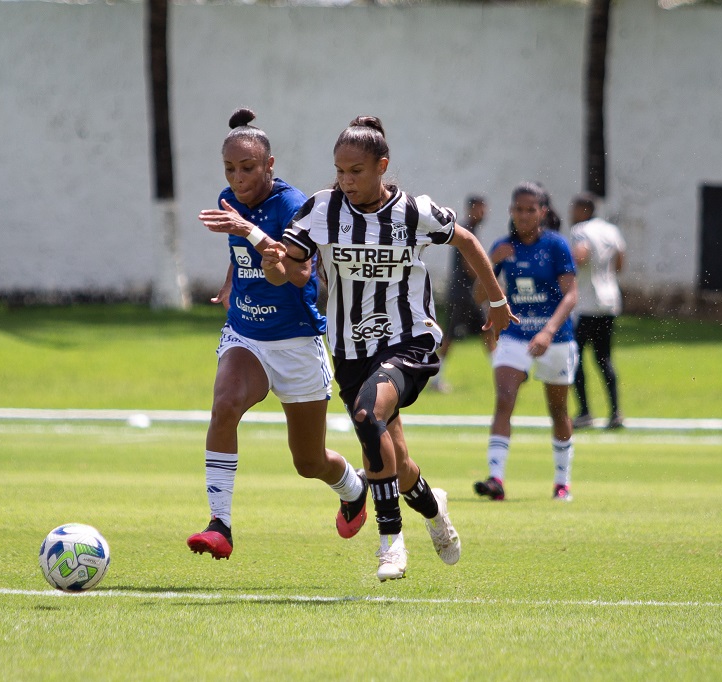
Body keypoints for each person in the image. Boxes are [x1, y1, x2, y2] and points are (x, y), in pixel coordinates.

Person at [263, 116, 516, 581]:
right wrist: (274, 263)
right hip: (350, 352)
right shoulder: (322, 210)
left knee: (366, 416)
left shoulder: (413, 212)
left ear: (383, 166)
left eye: (356, 171)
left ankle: (390, 543)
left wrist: (497, 302)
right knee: (394, 463)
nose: (346, 180)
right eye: (340, 171)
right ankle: (432, 506)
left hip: (410, 343)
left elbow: (466, 240)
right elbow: (291, 271)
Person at [187, 109, 368, 561]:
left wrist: (252, 236)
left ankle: (354, 487)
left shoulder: (296, 206)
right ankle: (219, 524)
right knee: (224, 405)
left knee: (309, 462)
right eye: (230, 168)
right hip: (246, 334)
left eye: (248, 168)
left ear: (270, 165)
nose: (238, 177)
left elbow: (299, 271)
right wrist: (232, 280)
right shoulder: (230, 198)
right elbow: (242, 249)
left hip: (296, 341)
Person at [473, 182, 578, 502]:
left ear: (542, 212)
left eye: (530, 209)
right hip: (515, 333)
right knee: (504, 398)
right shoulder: (503, 247)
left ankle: (562, 482)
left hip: (555, 337)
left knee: (557, 408)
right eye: (518, 209)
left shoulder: (556, 246)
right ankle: (496, 479)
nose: (524, 215)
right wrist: (491, 262)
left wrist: (547, 331)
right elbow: (479, 294)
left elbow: (572, 295)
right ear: (511, 212)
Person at [568, 193, 626, 430]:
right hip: (610, 300)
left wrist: (565, 267)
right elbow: (620, 263)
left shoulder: (581, 230)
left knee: (575, 357)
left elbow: (580, 257)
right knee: (604, 358)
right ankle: (615, 412)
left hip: (587, 302)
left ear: (583, 209)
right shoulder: (611, 230)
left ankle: (584, 412)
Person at [429, 195, 489, 393]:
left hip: (466, 294)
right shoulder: (467, 230)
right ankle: (435, 378)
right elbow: (469, 265)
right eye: (480, 208)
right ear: (471, 209)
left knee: (486, 330)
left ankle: (503, 373)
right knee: (451, 337)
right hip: (463, 294)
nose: (483, 213)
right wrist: (488, 283)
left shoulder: (471, 229)